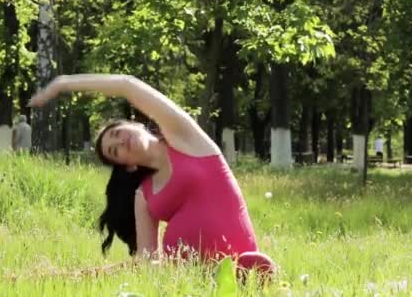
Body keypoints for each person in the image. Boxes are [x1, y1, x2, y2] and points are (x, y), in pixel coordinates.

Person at [28, 74, 275, 279]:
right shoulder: (143, 195)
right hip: (183, 276)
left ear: (134, 124)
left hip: (241, 262)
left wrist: (63, 84)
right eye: (115, 151)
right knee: (119, 273)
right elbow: (147, 262)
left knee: (242, 269)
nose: (121, 141)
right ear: (128, 166)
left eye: (116, 132)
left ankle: (243, 278)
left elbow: (127, 85)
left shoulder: (187, 140)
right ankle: (55, 278)